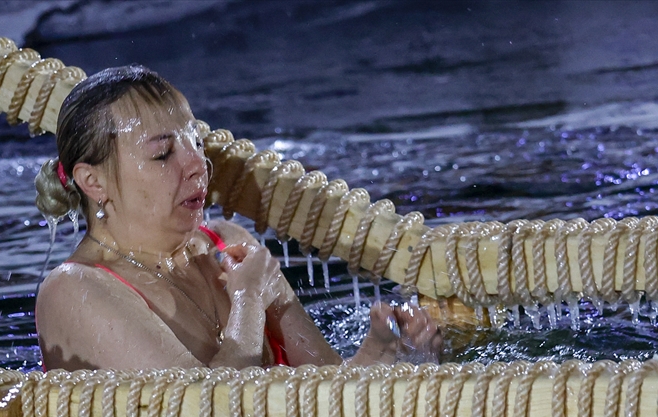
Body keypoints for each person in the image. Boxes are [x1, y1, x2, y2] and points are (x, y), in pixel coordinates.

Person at [34, 65, 441, 371]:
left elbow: (327, 387)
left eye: (195, 142)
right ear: (93, 181)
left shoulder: (226, 244)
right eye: (163, 154)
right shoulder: (75, 290)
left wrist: (383, 356)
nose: (198, 165)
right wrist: (247, 302)